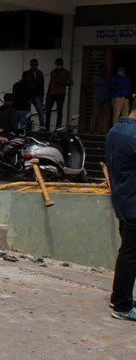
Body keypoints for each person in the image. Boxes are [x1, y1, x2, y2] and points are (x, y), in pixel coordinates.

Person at [105, 106, 136, 322]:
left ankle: (119, 297)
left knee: (128, 252)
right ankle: (122, 305)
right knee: (130, 254)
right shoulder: (133, 134)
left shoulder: (116, 130)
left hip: (122, 199)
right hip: (133, 201)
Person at [45, 58, 73, 131]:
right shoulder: (53, 72)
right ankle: (46, 127)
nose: (58, 65)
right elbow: (50, 83)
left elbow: (71, 83)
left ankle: (58, 127)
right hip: (52, 93)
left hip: (61, 93)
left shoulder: (66, 72)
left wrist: (62, 84)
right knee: (48, 110)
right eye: (57, 64)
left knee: (59, 111)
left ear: (62, 64)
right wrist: (47, 94)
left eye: (59, 64)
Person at [90, 65, 110, 134]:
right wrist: (105, 79)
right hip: (97, 98)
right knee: (95, 114)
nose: (103, 72)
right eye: (102, 70)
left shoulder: (107, 78)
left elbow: (108, 85)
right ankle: (92, 130)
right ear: (99, 71)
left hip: (105, 98)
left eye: (104, 71)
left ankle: (100, 130)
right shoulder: (96, 77)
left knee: (102, 116)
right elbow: (99, 82)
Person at [27, 59, 45, 130]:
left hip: (37, 94)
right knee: (28, 111)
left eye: (34, 64)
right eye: (32, 65)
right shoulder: (28, 73)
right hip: (29, 94)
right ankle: (28, 125)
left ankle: (42, 125)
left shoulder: (40, 73)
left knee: (40, 110)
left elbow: (42, 85)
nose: (33, 66)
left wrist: (42, 95)